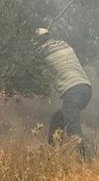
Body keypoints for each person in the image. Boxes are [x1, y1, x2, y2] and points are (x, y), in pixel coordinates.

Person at [34, 27, 93, 159]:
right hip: (86, 88)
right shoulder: (64, 44)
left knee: (73, 127)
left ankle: (86, 160)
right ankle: (54, 155)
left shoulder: (43, 51)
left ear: (38, 41)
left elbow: (34, 59)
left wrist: (32, 46)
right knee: (57, 119)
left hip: (72, 91)